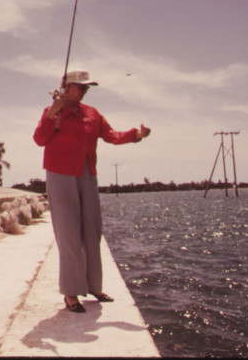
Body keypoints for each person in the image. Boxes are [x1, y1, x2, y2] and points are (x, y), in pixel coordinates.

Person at [33, 70, 151, 313]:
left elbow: (112, 136)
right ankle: (71, 294)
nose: (85, 91)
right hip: (60, 173)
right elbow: (39, 139)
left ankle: (94, 287)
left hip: (87, 173)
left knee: (92, 230)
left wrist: (137, 135)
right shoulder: (52, 111)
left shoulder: (93, 113)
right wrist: (54, 112)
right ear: (66, 87)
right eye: (81, 87)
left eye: (87, 88)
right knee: (68, 234)